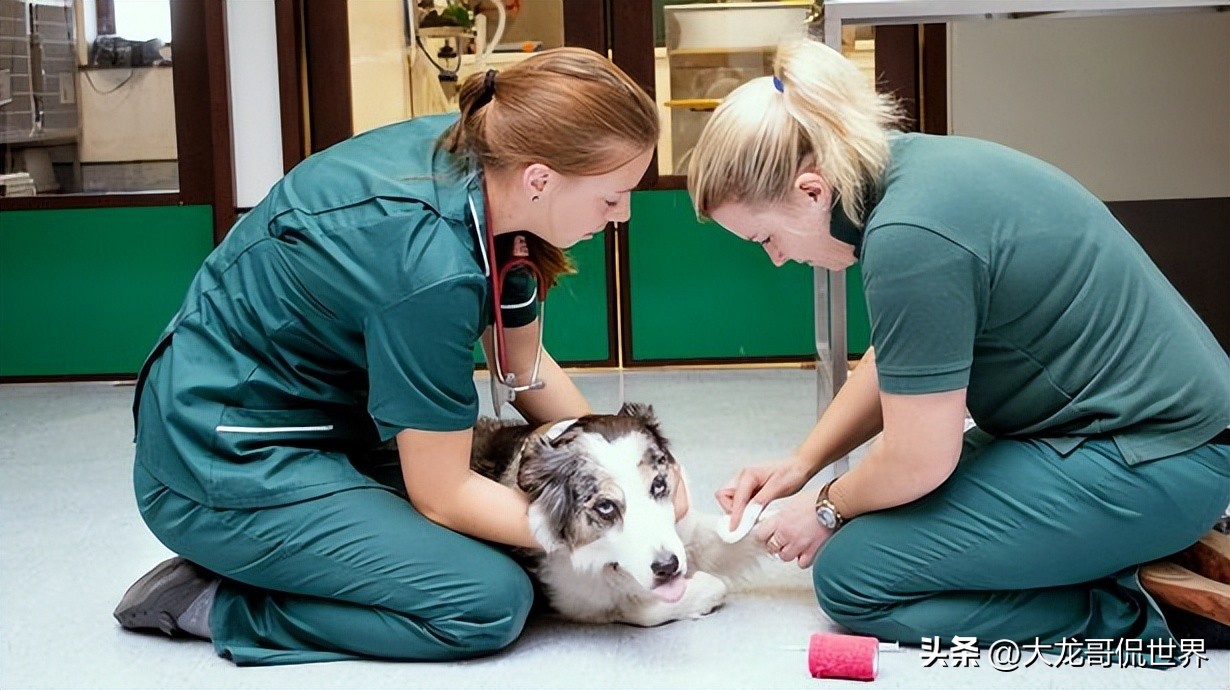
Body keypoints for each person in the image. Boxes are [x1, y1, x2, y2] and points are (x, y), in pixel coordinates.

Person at [112, 47, 680, 666]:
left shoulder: (491, 155)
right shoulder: (426, 264)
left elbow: (525, 370)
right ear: (541, 179)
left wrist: (619, 470)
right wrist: (608, 534)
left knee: (511, 534)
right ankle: (216, 600)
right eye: (613, 196)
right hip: (225, 458)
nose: (623, 214)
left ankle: (302, 555)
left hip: (330, 425)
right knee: (486, 599)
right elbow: (442, 494)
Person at [687, 38, 1230, 658]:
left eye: (767, 238)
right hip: (1122, 438)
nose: (778, 258)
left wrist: (825, 507)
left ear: (812, 192)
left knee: (854, 579)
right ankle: (1104, 550)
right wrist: (802, 464)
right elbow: (904, 355)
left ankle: (1134, 612)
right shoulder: (909, 172)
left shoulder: (909, 239)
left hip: (1153, 461)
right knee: (874, 519)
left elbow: (920, 460)